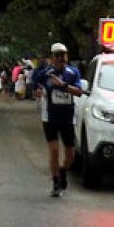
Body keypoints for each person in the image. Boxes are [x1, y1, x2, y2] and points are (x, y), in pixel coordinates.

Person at [32, 42, 83, 197]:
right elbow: (35, 87)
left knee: (70, 155)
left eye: (63, 55)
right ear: (52, 57)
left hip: (67, 117)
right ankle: (55, 182)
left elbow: (79, 92)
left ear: (66, 56)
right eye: (57, 55)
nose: (60, 58)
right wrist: (37, 92)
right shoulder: (44, 73)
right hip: (50, 117)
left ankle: (63, 171)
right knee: (54, 151)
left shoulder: (72, 72)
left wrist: (63, 86)